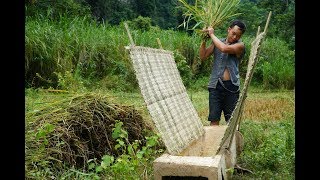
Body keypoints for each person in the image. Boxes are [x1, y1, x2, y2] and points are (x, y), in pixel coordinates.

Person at [199, 20, 246, 126]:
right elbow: (203, 56)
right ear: (229, 29)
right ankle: (213, 143)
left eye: (238, 36)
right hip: (215, 85)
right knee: (214, 119)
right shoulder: (218, 42)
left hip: (231, 87)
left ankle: (232, 142)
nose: (235, 37)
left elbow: (224, 48)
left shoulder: (240, 46)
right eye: (233, 33)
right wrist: (204, 39)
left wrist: (211, 34)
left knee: (232, 122)